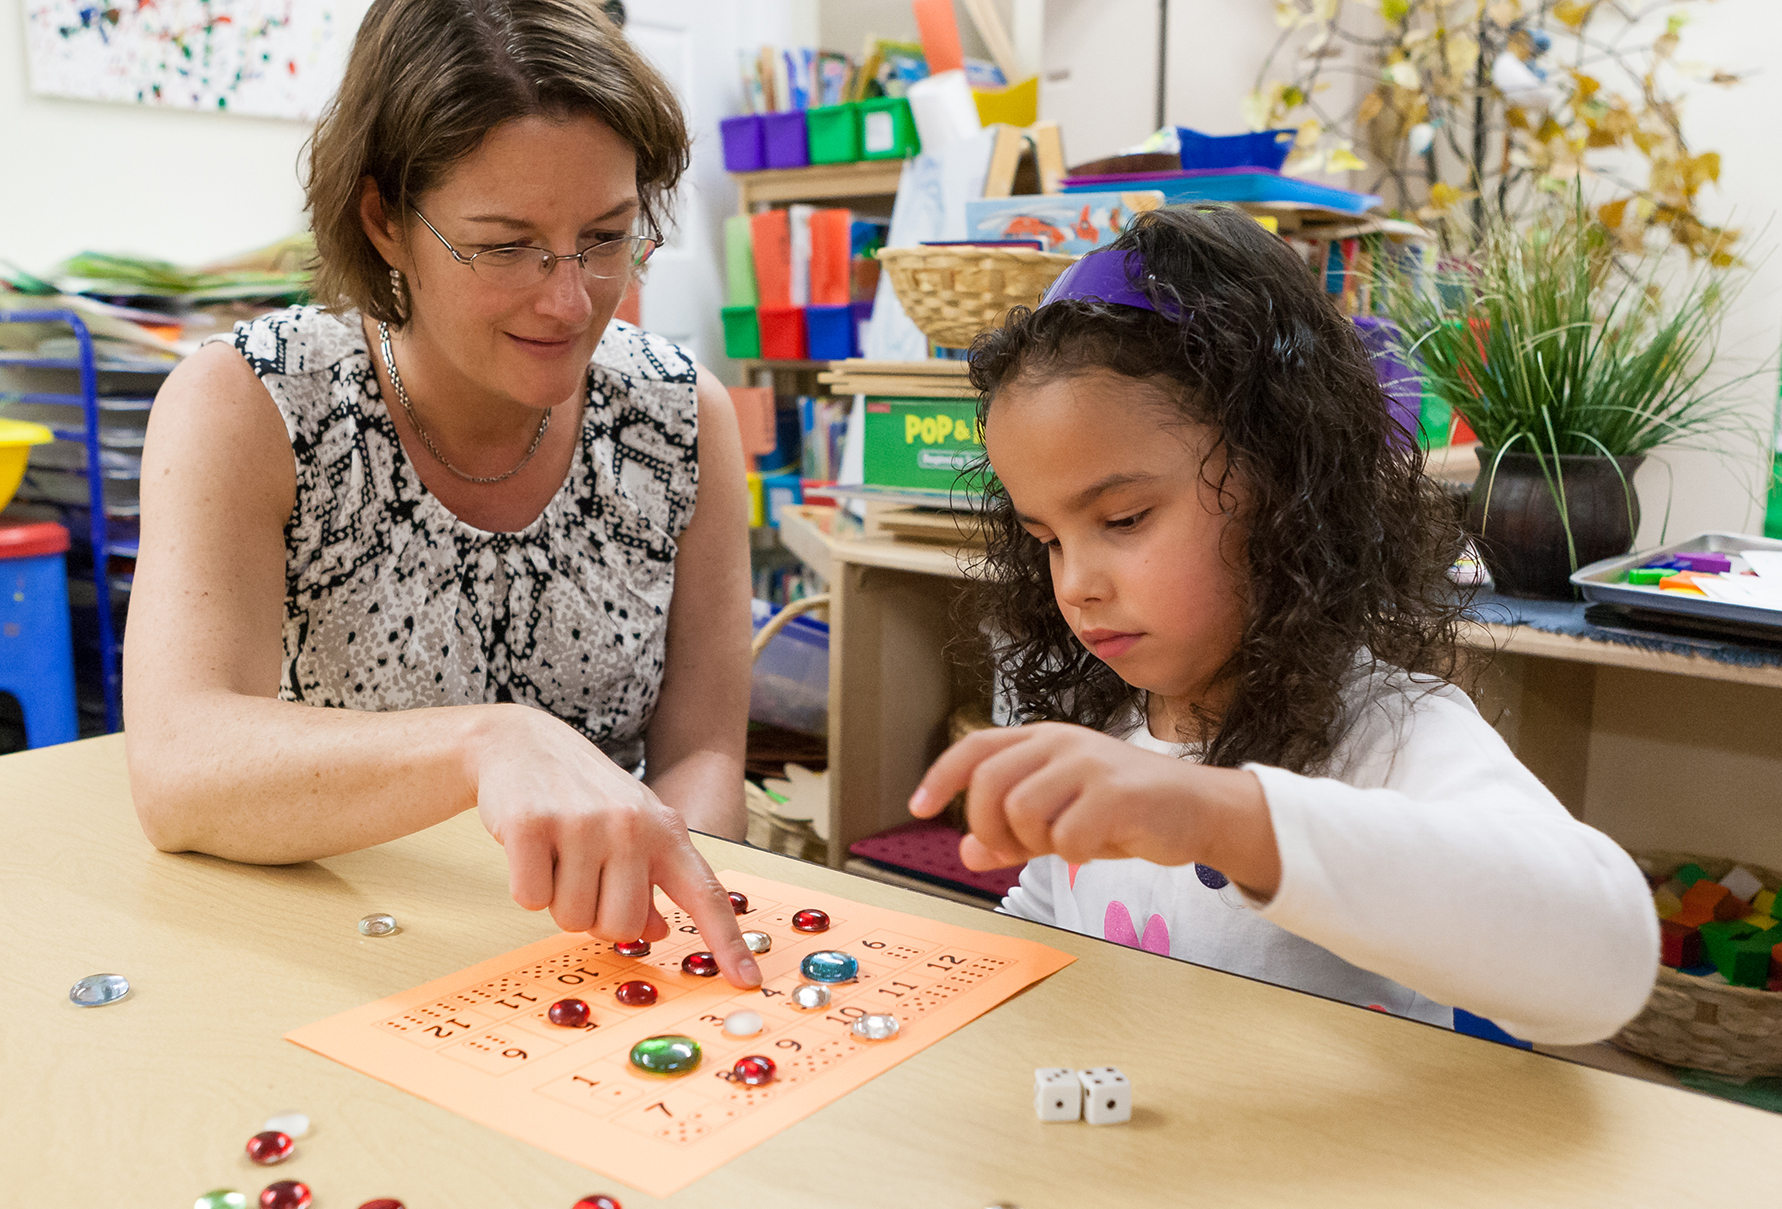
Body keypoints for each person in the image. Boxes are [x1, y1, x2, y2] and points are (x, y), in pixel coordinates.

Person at [125, 0, 760, 986]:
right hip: (327, 952)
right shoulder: (249, 402)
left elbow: (707, 753)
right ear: (385, 220)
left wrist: (673, 906)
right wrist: (488, 740)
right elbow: (178, 763)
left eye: (606, 236)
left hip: (599, 964)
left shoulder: (680, 418)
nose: (568, 297)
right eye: (505, 247)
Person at [909, 207, 1656, 1045]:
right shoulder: (1104, 720)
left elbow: (1610, 960)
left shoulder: (1387, 731)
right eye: (1047, 540)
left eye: (1122, 520)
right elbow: (1053, 917)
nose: (1075, 585)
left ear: (1286, 489)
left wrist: (1217, 815)